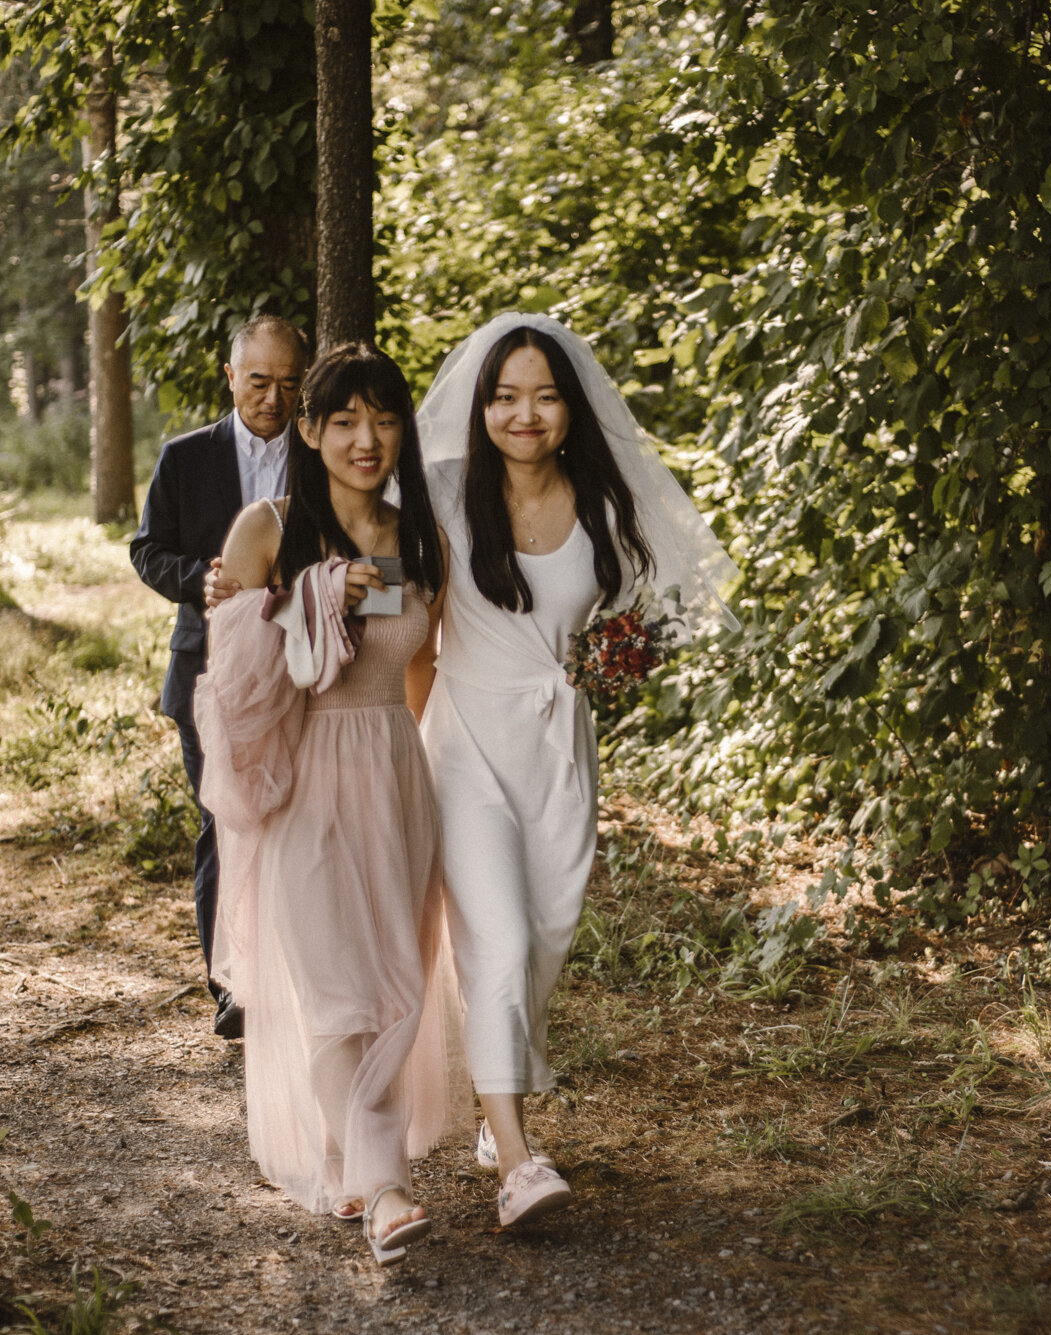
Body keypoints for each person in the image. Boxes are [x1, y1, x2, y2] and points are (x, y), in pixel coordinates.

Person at [411, 315, 738, 1228]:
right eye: (507, 396)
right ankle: (516, 1162)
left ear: (570, 406)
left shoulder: (603, 504)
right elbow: (411, 634)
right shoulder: (441, 501)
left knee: (548, 934)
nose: (526, 413)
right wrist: (404, 749)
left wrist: (620, 658)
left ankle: (494, 1099)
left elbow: (652, 617)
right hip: (465, 742)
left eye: (545, 395)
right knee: (501, 942)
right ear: (481, 409)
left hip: (559, 747)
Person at [194, 342, 461, 1265]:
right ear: (307, 429)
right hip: (306, 783)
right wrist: (293, 598)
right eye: (343, 419)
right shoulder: (267, 532)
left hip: (394, 774)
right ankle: (387, 1187)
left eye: (384, 419)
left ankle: (349, 1156)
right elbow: (228, 686)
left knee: (396, 984)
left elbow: (422, 672)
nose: (366, 438)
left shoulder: (421, 537)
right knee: (336, 991)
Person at [131, 314, 308, 1040]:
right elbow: (147, 549)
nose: (273, 397)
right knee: (224, 824)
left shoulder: (328, 456)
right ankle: (233, 985)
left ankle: (297, 975)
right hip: (209, 673)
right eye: (259, 380)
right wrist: (196, 578)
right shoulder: (184, 457)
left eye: (290, 382)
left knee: (299, 825)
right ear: (231, 375)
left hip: (307, 672)